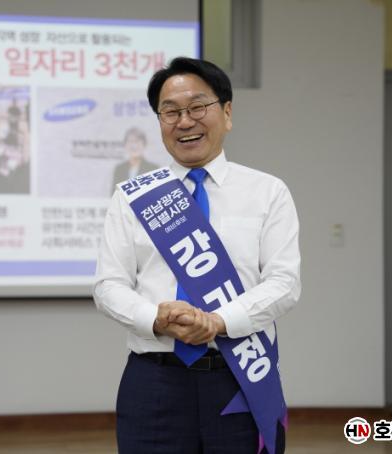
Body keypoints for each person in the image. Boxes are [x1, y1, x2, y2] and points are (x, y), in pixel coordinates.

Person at [94, 57, 301, 453]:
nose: (184, 121)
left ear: (227, 112)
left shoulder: (267, 192)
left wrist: (218, 321)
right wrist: (157, 319)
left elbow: (284, 283)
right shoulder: (132, 197)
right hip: (154, 382)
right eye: (170, 112)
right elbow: (108, 286)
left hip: (239, 377)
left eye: (197, 107)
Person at [110, 127, 159, 194]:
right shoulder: (119, 169)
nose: (134, 145)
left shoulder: (153, 169)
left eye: (137, 141)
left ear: (144, 145)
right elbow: (114, 195)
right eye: (130, 141)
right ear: (125, 145)